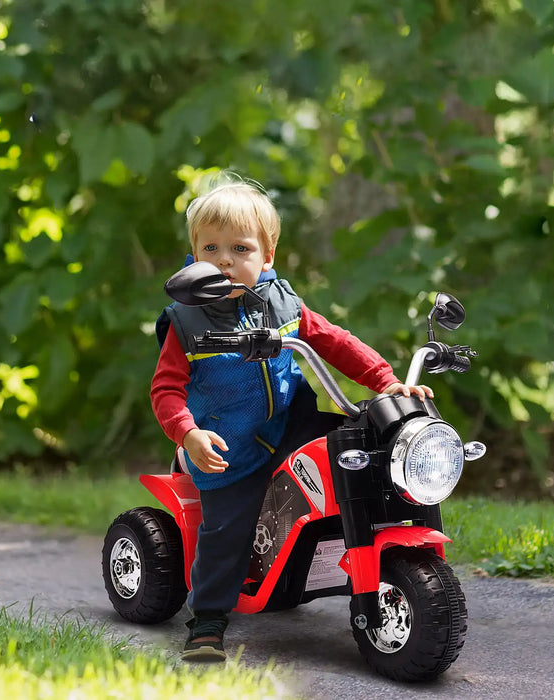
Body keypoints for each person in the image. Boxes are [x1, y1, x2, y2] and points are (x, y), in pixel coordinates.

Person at [150, 178, 433, 662]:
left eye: (239, 248)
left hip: (292, 423)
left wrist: (385, 380)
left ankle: (372, 555)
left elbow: (334, 341)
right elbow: (166, 390)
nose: (223, 260)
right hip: (229, 445)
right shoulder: (187, 320)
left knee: (365, 449)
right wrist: (189, 432)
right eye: (210, 248)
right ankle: (209, 619)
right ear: (193, 255)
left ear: (268, 254)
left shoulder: (283, 302)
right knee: (227, 529)